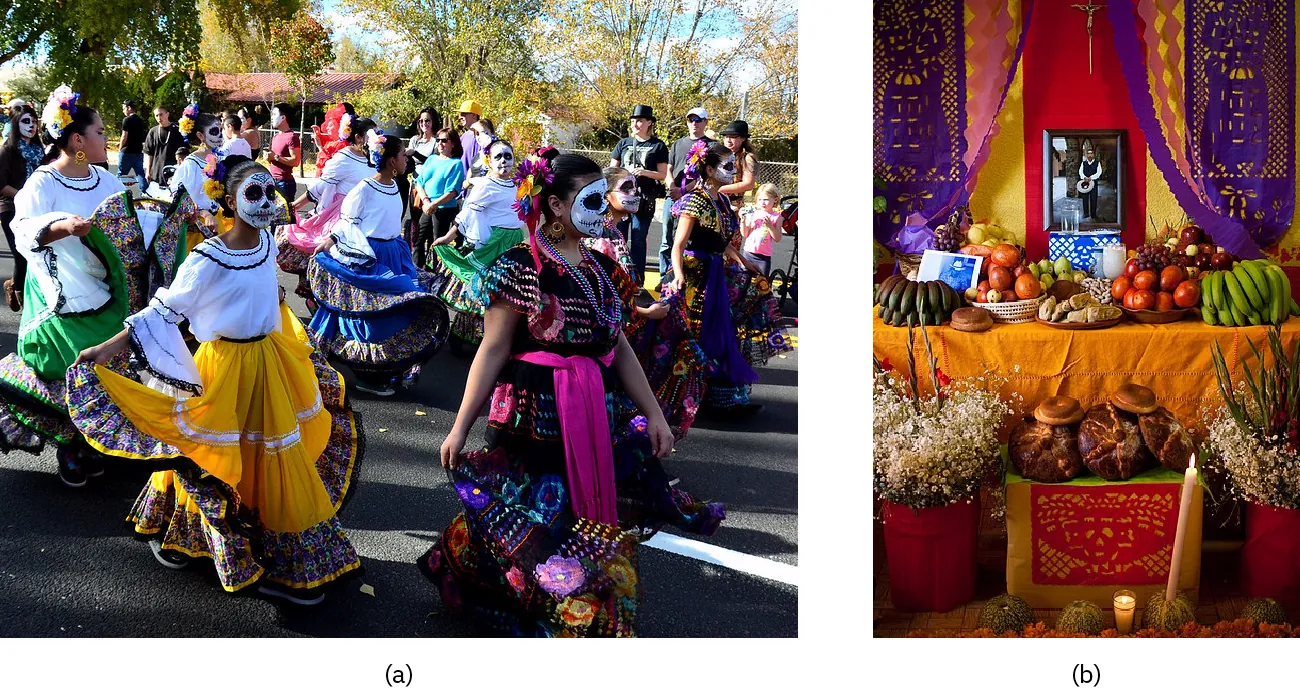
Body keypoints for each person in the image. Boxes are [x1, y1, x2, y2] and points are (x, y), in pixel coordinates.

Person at [415, 149, 724, 637]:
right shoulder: (522, 266)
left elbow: (619, 347)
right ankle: (511, 596)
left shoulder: (603, 269)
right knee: (529, 513)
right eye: (592, 197)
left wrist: (656, 416)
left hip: (591, 408)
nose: (605, 206)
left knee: (573, 517)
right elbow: (492, 351)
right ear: (556, 206)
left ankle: (562, 606)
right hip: (531, 412)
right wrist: (459, 428)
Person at [68, 154, 364, 605]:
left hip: (269, 363)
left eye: (270, 192)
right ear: (228, 199)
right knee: (215, 455)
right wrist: (107, 349)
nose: (266, 202)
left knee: (270, 455)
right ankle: (195, 535)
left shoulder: (267, 242)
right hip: (225, 368)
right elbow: (165, 310)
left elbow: (270, 290)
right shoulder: (207, 257)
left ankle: (279, 551)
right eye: (254, 193)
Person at [0, 86, 182, 487]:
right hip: (63, 292)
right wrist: (63, 226)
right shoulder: (43, 182)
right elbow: (22, 228)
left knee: (113, 359)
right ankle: (72, 445)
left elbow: (133, 214)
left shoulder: (104, 178)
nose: (107, 137)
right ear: (78, 139)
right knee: (73, 365)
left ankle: (99, 436)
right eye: (100, 131)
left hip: (110, 290)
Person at [307, 131, 448, 396]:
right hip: (372, 256)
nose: (407, 159)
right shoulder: (365, 188)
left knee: (400, 310)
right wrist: (331, 242)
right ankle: (364, 373)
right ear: (392, 161)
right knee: (371, 316)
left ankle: (390, 370)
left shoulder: (395, 185)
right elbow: (348, 220)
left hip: (395, 253)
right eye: (403, 155)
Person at [659, 140, 791, 421]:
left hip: (718, 271)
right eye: (727, 166)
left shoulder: (720, 201)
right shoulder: (695, 200)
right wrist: (679, 274)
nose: (733, 171)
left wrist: (745, 262)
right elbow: (678, 244)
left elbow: (722, 243)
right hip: (698, 274)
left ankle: (721, 398)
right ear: (709, 169)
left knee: (727, 331)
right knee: (695, 335)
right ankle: (685, 400)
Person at [427, 138, 525, 349]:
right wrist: (448, 237)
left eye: (508, 156)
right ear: (489, 161)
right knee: (480, 289)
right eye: (498, 156)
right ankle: (459, 335)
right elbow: (468, 214)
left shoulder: (518, 185)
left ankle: (487, 338)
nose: (504, 161)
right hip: (493, 243)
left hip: (513, 243)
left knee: (501, 293)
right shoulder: (487, 185)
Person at [278, 115, 377, 301]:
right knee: (330, 263)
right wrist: (295, 206)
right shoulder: (344, 158)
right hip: (341, 217)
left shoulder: (373, 159)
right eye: (371, 134)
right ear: (358, 137)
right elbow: (320, 186)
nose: (376, 138)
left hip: (365, 217)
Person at [609, 105, 669, 287]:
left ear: (649, 123)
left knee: (638, 240)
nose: (636, 124)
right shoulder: (623, 143)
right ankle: (615, 276)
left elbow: (663, 174)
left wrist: (645, 173)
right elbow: (612, 170)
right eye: (634, 120)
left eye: (640, 120)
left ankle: (637, 281)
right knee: (617, 237)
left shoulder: (658, 146)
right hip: (620, 199)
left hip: (643, 199)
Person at [660, 106, 712, 275]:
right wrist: (672, 188)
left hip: (696, 198)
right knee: (667, 238)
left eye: (698, 120)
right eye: (691, 120)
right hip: (673, 197)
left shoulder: (711, 146)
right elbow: (669, 169)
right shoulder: (678, 144)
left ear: (705, 122)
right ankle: (666, 276)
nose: (694, 123)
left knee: (687, 239)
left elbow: (706, 176)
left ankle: (684, 274)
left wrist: (684, 190)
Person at [0, 103, 41, 311]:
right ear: (16, 124)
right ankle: (21, 297)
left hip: (36, 209)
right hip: (10, 209)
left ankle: (16, 284)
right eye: (26, 121)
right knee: (21, 254)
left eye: (34, 121)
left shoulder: (39, 149)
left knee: (35, 253)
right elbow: (1, 185)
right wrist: (23, 196)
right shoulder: (7, 151)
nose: (32, 125)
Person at [410, 127, 464, 268]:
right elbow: (419, 182)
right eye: (438, 140)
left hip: (444, 209)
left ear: (453, 143)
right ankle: (417, 270)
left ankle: (438, 273)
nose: (440, 143)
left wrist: (434, 205)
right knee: (418, 240)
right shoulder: (432, 159)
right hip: (427, 206)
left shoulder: (456, 163)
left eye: (444, 140)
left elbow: (452, 191)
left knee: (438, 243)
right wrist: (426, 201)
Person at [170, 104, 227, 234]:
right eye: (214, 131)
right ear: (201, 136)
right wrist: (204, 214)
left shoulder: (219, 159)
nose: (220, 136)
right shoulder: (191, 164)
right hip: (197, 227)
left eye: (221, 131)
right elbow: (179, 196)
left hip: (216, 221)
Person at [740, 183, 783, 276]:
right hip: (748, 253)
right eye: (760, 200)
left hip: (763, 257)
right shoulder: (753, 214)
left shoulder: (777, 217)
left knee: (762, 283)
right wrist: (743, 221)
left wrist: (770, 226)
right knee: (742, 282)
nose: (762, 203)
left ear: (775, 200)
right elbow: (745, 234)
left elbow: (777, 238)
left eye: (766, 200)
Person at [143, 105, 184, 196]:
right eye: (156, 115)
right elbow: (150, 153)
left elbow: (183, 153)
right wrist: (148, 171)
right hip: (156, 172)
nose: (159, 118)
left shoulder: (178, 131)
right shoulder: (153, 131)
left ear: (167, 114)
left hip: (172, 173)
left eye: (161, 114)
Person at [718, 120, 758, 212]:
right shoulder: (719, 155)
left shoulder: (748, 157)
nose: (728, 140)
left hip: (733, 207)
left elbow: (748, 184)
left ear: (743, 138)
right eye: (726, 136)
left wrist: (719, 189)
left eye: (733, 137)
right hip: (717, 201)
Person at [266, 102, 302, 204]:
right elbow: (274, 160)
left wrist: (276, 157)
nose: (272, 118)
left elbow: (296, 161)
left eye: (274, 114)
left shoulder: (292, 137)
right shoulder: (275, 136)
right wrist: (269, 157)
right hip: (272, 180)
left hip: (285, 183)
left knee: (286, 216)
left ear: (283, 117)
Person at [118, 100, 148, 191]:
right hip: (138, 151)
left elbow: (124, 136)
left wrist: (120, 147)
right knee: (140, 174)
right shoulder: (140, 120)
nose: (123, 111)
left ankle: (117, 193)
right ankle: (144, 193)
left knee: (120, 175)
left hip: (127, 152)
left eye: (124, 108)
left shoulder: (127, 120)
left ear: (129, 108)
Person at [457, 100, 484, 177]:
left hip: (479, 185)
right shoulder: (463, 137)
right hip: (463, 185)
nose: (459, 117)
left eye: (463, 114)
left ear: (474, 115)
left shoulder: (486, 137)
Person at [464, 118, 496, 183]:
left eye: (483, 132)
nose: (479, 137)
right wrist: (470, 181)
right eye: (477, 134)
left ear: (492, 133)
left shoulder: (498, 152)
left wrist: (472, 181)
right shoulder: (477, 156)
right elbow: (466, 182)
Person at [1078, 144, 1102, 221]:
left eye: (1091, 153)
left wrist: (1091, 178)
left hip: (1093, 183)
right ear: (1086, 155)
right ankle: (1086, 213)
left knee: (1093, 198)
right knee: (1085, 198)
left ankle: (1093, 214)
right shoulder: (1083, 163)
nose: (1090, 155)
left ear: (1093, 154)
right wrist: (1084, 177)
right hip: (1085, 183)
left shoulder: (1097, 163)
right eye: (1088, 153)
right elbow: (1080, 172)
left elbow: (1099, 173)